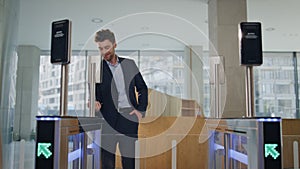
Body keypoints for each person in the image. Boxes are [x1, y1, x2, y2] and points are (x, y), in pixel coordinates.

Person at [93, 29, 148, 169]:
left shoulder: (129, 64)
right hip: (107, 121)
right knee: (107, 163)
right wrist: (94, 103)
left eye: (107, 47)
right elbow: (93, 94)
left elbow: (142, 88)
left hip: (128, 119)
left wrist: (140, 111)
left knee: (129, 163)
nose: (104, 51)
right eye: (100, 48)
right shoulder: (96, 68)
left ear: (114, 45)